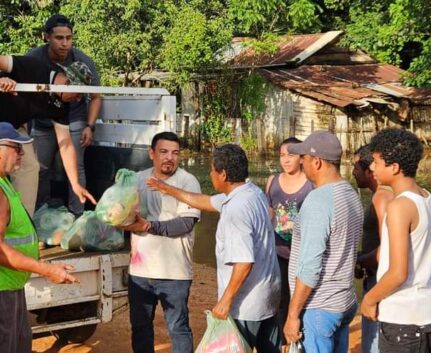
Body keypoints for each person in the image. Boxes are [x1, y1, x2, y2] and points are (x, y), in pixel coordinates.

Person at [146, 144, 282, 353]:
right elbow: (206, 202)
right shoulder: (251, 192)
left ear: (223, 174)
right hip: (268, 297)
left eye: (212, 170)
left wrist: (225, 301)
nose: (210, 174)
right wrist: (166, 188)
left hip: (245, 305)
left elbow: (244, 261)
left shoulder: (236, 209)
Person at [361, 128, 431, 353]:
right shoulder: (427, 199)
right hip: (430, 313)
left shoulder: (399, 206)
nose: (371, 168)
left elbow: (398, 273)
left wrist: (369, 299)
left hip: (404, 321)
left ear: (394, 168)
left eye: (377, 162)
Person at [116, 132, 201, 353]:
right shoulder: (136, 179)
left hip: (175, 273)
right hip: (140, 272)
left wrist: (147, 226)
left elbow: (186, 224)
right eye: (163, 152)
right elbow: (120, 215)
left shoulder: (187, 181)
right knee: (140, 327)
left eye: (175, 153)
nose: (169, 158)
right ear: (151, 153)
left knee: (178, 327)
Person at [0, 122, 78, 353]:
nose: (22, 154)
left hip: (10, 287)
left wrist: (45, 266)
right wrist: (47, 270)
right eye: (16, 147)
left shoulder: (5, 183)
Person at [283, 131, 364, 353]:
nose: (301, 163)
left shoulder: (318, 201)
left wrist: (292, 315)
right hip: (344, 300)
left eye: (304, 159)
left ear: (316, 162)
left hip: (320, 306)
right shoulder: (350, 193)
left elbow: (310, 268)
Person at [0, 54, 96, 216]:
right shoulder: (33, 66)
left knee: (30, 166)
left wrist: (75, 184)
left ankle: (22, 222)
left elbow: (65, 144)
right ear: (67, 82)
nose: (78, 99)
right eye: (78, 93)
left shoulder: (62, 107)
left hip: (12, 127)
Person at [27, 14, 101, 216]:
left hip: (74, 118)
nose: (65, 43)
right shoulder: (32, 59)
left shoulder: (83, 61)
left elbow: (95, 97)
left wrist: (90, 126)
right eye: (59, 38)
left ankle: (77, 216)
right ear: (47, 37)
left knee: (76, 166)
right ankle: (39, 214)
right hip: (42, 120)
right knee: (39, 168)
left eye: (69, 38)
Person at [265, 137, 313, 335]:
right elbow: (269, 212)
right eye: (282, 155)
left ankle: (298, 338)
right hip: (277, 251)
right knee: (278, 297)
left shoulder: (311, 184)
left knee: (300, 298)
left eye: (291, 155)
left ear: (302, 158)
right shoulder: (272, 181)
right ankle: (281, 342)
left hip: (301, 254)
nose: (285, 160)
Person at [352, 144, 393, 353]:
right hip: (376, 274)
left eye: (356, 168)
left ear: (370, 170)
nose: (353, 173)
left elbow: (388, 248)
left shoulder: (382, 197)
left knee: (374, 342)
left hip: (380, 279)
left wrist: (360, 260)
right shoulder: (381, 194)